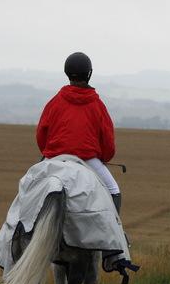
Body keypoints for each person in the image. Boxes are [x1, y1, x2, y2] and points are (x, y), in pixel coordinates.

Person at [36, 52, 122, 213]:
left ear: (67, 73)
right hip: (88, 159)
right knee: (113, 190)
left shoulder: (54, 102)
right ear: (89, 74)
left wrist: (49, 152)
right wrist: (104, 158)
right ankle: (115, 226)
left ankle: (19, 226)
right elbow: (108, 141)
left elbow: (41, 134)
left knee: (30, 186)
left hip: (54, 157)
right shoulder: (97, 105)